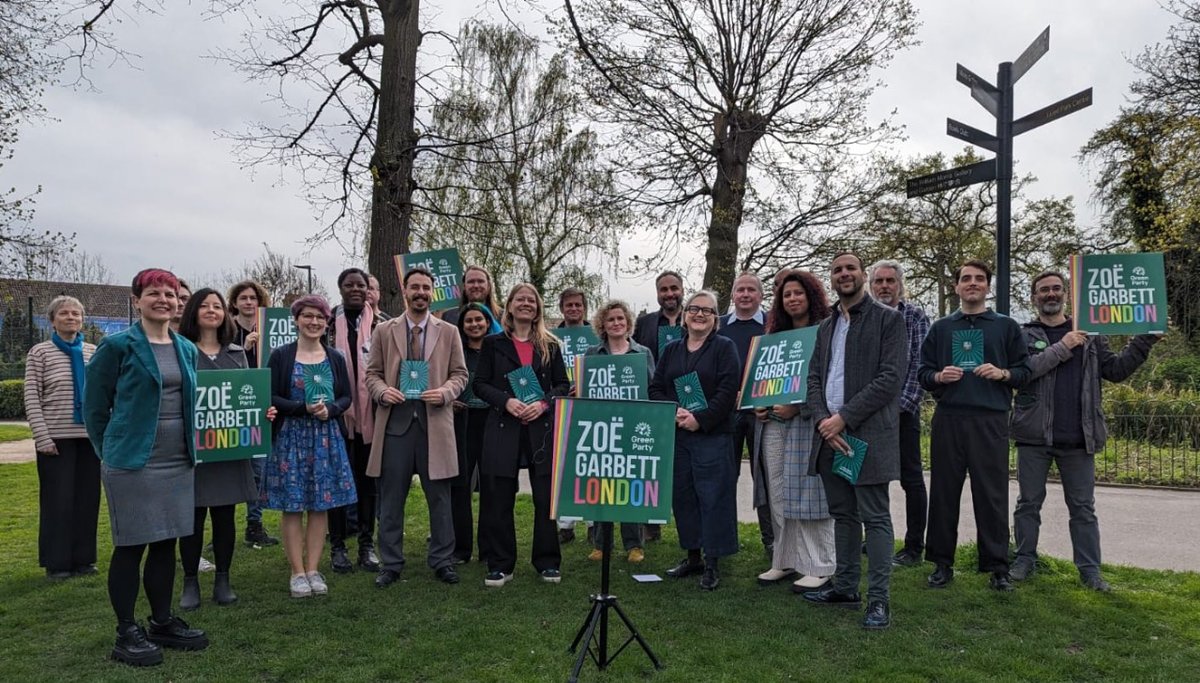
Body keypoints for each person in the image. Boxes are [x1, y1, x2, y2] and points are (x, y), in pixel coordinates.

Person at [84, 268, 208, 667]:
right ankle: (126, 631)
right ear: (137, 300)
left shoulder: (185, 348)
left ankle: (161, 621)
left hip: (177, 461)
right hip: (132, 464)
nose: (164, 300)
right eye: (154, 293)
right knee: (131, 545)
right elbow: (94, 407)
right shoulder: (117, 347)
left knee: (165, 543)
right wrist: (111, 451)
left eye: (170, 295)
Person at [1010, 271, 1159, 592]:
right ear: (1034, 297)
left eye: (1056, 289)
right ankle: (1024, 560)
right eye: (1043, 290)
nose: (1050, 294)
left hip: (1080, 438)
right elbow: (1023, 373)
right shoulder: (1023, 335)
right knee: (1027, 504)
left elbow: (1116, 371)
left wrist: (1144, 340)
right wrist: (1064, 346)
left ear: (1065, 294)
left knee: (1083, 509)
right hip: (1034, 436)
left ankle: (1090, 572)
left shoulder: (1090, 334)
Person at [801, 253, 906, 630]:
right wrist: (823, 422)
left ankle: (879, 601)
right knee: (843, 515)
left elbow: (890, 379)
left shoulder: (888, 321)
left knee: (875, 518)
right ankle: (845, 588)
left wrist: (843, 419)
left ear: (863, 275)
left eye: (850, 269)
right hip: (829, 435)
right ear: (831, 278)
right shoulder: (826, 325)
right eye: (836, 270)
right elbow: (813, 378)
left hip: (867, 435)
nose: (843, 274)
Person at [919, 260, 1030, 592]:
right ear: (956, 287)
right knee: (943, 493)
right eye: (965, 278)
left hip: (991, 419)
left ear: (987, 286)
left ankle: (998, 566)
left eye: (979, 279)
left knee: (992, 495)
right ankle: (941, 563)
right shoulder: (941, 328)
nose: (972, 283)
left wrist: (1003, 374)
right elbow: (923, 373)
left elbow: (1024, 371)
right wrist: (939, 376)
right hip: (949, 419)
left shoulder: (1006, 326)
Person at [366, 267, 469, 587]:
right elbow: (372, 375)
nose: (421, 292)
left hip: (434, 424)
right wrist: (382, 391)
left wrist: (446, 392)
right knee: (390, 499)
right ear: (405, 290)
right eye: (415, 287)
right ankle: (391, 563)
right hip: (396, 426)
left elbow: (460, 375)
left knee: (439, 498)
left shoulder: (449, 332)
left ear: (432, 292)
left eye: (426, 287)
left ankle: (442, 560)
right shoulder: (384, 330)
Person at [176, 288, 270, 610]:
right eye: (204, 306)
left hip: (229, 447)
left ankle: (223, 578)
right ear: (193, 312)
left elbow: (247, 394)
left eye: (217, 306)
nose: (212, 311)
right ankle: (190, 580)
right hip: (195, 449)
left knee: (225, 516)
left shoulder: (236, 352)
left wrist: (262, 411)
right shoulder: (181, 351)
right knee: (192, 516)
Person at [473, 283, 570, 587]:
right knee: (500, 497)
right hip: (504, 425)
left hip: (540, 428)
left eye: (532, 300)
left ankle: (547, 562)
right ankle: (501, 563)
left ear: (538, 307)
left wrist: (543, 404)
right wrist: (507, 401)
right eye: (520, 299)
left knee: (544, 498)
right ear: (510, 305)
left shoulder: (550, 345)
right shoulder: (492, 344)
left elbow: (562, 385)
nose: (526, 304)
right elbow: (480, 384)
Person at [263, 294, 357, 598]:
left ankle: (314, 568)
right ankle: (296, 572)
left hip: (326, 437)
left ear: (327, 321)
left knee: (321, 505)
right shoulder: (281, 355)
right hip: (292, 437)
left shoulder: (335, 357)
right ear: (296, 320)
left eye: (320, 317)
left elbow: (346, 397)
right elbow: (271, 395)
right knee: (293, 507)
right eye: (308, 316)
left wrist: (331, 409)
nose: (314, 322)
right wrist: (302, 407)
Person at [649, 290, 740, 590]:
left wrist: (700, 420)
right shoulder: (672, 349)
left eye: (707, 311)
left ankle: (713, 562)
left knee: (713, 497)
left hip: (712, 434)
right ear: (685, 315)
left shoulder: (724, 348)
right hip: (678, 435)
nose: (699, 314)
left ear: (716, 319)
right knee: (684, 496)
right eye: (694, 309)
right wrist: (675, 413)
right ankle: (693, 556)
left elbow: (728, 391)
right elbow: (656, 388)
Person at [751, 271, 836, 592]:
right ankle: (784, 560)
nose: (792, 299)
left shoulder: (825, 332)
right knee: (778, 492)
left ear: (810, 295)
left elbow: (831, 381)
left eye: (798, 293)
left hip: (808, 423)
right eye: (787, 295)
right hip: (773, 424)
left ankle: (821, 564)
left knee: (810, 493)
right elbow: (764, 379)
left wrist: (798, 408)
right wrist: (758, 404)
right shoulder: (775, 336)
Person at [25, 295, 100, 580]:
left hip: (88, 437)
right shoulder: (39, 352)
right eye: (64, 314)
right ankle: (57, 563)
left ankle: (84, 559)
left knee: (87, 499)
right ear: (52, 320)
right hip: (55, 438)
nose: (71, 318)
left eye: (76, 314)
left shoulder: (93, 351)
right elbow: (32, 395)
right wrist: (41, 436)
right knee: (58, 501)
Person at [868, 260, 931, 567]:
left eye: (890, 281)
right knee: (868, 478)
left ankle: (913, 547)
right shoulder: (864, 318)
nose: (884, 286)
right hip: (867, 413)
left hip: (902, 413)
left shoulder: (915, 317)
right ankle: (875, 537)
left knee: (911, 480)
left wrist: (898, 408)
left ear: (900, 285)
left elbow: (920, 366)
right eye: (878, 281)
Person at [583, 299, 655, 564]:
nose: (616, 323)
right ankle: (601, 544)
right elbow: (585, 390)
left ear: (628, 324)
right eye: (611, 319)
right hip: (603, 429)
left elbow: (652, 387)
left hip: (633, 427)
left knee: (630, 487)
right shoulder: (592, 354)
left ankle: (634, 544)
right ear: (602, 323)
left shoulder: (642, 353)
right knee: (602, 486)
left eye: (620, 319)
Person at [325, 268, 382, 574]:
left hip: (371, 416)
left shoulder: (383, 325)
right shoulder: (326, 324)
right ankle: (337, 547)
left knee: (367, 482)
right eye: (350, 284)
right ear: (341, 288)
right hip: (335, 416)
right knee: (336, 482)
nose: (356, 289)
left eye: (361, 284)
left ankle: (366, 545)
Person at [718, 272, 772, 556]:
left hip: (763, 413)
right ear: (733, 295)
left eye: (752, 290)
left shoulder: (772, 325)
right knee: (725, 475)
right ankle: (726, 539)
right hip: (727, 412)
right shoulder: (720, 326)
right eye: (740, 290)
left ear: (760, 296)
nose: (746, 295)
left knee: (764, 477)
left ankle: (771, 540)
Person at [226, 279, 279, 548]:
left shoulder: (269, 329)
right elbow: (220, 368)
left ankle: (254, 523)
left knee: (259, 468)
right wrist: (243, 350)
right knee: (226, 471)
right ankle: (223, 528)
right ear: (234, 302)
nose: (248, 302)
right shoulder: (225, 330)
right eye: (243, 298)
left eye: (253, 298)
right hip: (232, 408)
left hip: (261, 407)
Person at [633, 270, 685, 542]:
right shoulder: (645, 323)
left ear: (682, 289)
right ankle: (650, 526)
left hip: (691, 402)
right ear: (657, 294)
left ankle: (687, 526)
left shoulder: (696, 317)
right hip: (653, 401)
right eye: (663, 289)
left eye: (673, 288)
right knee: (649, 466)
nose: (669, 294)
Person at [450, 303, 500, 563]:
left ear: (488, 321)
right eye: (468, 321)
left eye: (479, 319)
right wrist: (450, 399)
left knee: (491, 485)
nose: (474, 324)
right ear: (462, 325)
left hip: (491, 419)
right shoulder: (455, 351)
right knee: (460, 486)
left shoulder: (497, 350)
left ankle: (489, 548)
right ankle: (461, 549)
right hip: (462, 419)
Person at [556, 286, 589, 544]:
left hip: (591, 407)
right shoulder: (552, 336)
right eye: (569, 305)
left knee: (590, 464)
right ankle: (565, 524)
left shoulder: (596, 335)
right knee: (565, 465)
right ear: (562, 308)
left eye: (578, 305)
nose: (574, 309)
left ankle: (592, 523)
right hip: (561, 405)